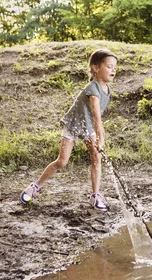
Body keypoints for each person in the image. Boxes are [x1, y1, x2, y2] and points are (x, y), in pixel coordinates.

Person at [20, 48, 118, 211]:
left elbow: (97, 118)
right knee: (62, 162)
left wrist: (99, 139)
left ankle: (95, 195)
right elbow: (96, 117)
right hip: (74, 124)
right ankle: (34, 187)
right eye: (109, 66)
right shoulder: (92, 89)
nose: (113, 70)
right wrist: (100, 139)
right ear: (96, 68)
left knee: (96, 158)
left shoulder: (108, 91)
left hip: (87, 126)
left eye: (115, 67)